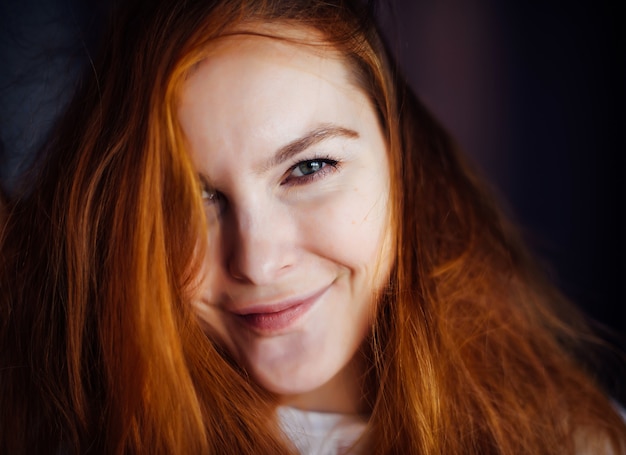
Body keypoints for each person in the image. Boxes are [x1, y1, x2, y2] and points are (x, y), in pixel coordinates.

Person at [0, 0, 624, 453]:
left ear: (402, 161)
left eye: (309, 168)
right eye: (189, 200)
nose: (259, 261)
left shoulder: (578, 435)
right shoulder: (74, 432)